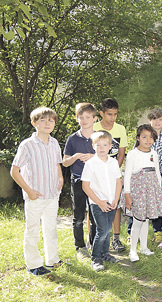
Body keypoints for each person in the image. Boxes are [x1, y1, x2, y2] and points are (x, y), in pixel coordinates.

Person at [11, 107, 64, 276]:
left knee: (51, 229)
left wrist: (61, 179)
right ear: (34, 123)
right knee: (33, 230)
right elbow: (14, 171)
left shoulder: (54, 143)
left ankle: (52, 259)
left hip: (52, 195)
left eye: (51, 120)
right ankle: (33, 264)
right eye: (43, 120)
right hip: (35, 197)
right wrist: (29, 191)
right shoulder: (27, 145)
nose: (47, 123)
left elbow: (57, 163)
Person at [123, 125, 162, 262]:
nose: (148, 140)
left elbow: (157, 173)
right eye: (144, 137)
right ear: (138, 138)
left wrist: (160, 191)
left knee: (146, 219)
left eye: (151, 137)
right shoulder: (132, 154)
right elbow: (127, 175)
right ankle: (132, 251)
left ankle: (144, 247)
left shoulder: (154, 153)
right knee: (137, 221)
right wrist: (127, 194)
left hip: (151, 190)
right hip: (138, 192)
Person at [81, 131, 122, 271]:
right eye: (98, 145)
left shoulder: (113, 162)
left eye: (105, 145)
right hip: (98, 204)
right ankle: (96, 258)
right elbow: (85, 186)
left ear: (110, 146)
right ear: (93, 147)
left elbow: (118, 182)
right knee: (102, 230)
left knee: (108, 229)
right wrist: (99, 202)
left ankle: (105, 253)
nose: (102, 148)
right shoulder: (90, 164)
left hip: (112, 202)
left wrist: (116, 199)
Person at [62, 103, 97, 256]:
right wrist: (75, 157)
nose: (84, 120)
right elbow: (64, 162)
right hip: (77, 179)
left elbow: (109, 160)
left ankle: (95, 244)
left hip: (96, 182)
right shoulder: (72, 139)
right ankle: (79, 246)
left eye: (88, 117)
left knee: (95, 214)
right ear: (77, 119)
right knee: (78, 215)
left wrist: (95, 157)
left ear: (95, 119)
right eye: (81, 117)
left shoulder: (100, 137)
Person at [94, 98, 127, 252]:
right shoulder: (93, 128)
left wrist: (113, 172)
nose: (113, 118)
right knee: (95, 205)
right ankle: (92, 238)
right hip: (96, 175)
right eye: (109, 114)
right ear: (101, 113)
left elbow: (121, 153)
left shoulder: (120, 129)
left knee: (116, 205)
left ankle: (115, 238)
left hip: (113, 174)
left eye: (115, 114)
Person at [146, 108, 162, 242]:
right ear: (150, 120)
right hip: (142, 174)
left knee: (156, 202)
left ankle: (157, 231)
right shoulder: (143, 137)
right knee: (140, 202)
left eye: (160, 120)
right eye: (154, 119)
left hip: (157, 175)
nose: (157, 122)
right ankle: (132, 231)